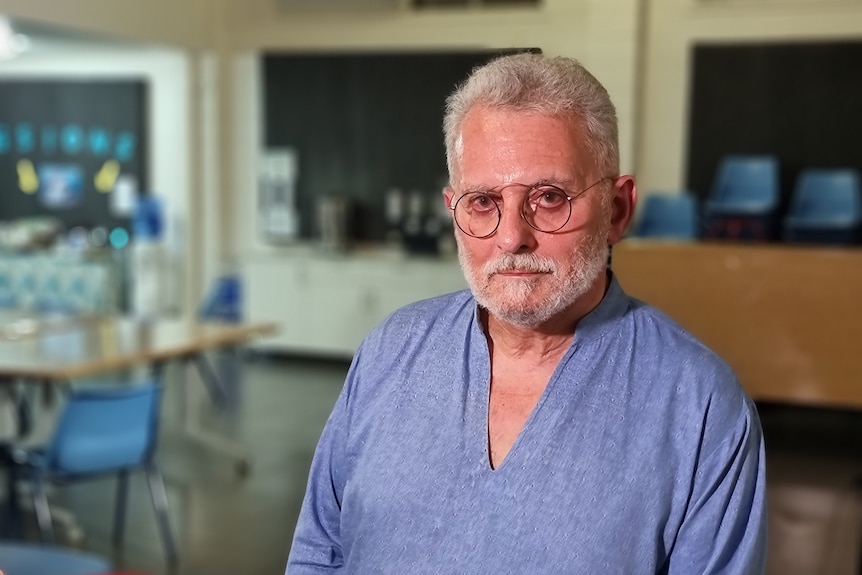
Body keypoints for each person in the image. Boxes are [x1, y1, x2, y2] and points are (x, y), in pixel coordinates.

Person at [286, 53, 767, 574]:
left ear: (618, 211)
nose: (513, 237)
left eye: (550, 197)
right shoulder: (390, 353)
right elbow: (320, 550)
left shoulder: (700, 406)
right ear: (454, 211)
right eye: (483, 202)